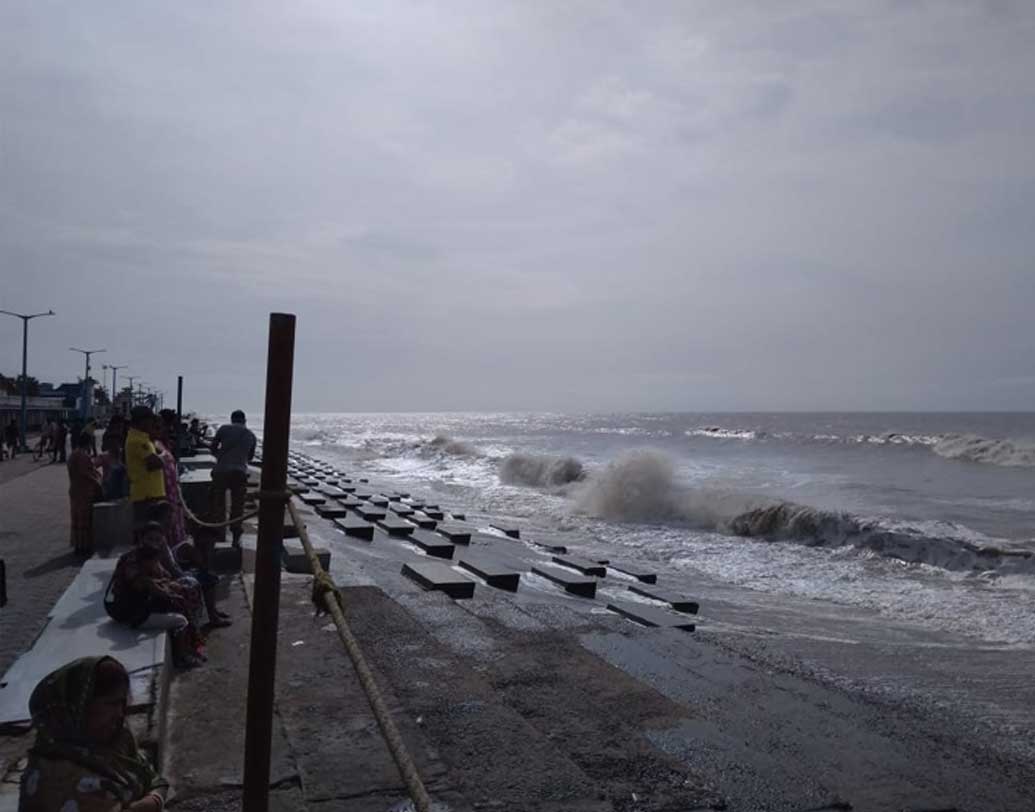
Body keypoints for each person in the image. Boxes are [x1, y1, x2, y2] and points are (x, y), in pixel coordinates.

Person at [18, 656, 169, 810]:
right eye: (110, 704)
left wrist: (154, 800)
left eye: (122, 702)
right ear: (79, 707)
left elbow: (154, 779)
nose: (119, 713)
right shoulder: (53, 777)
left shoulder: (116, 740)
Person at [105, 523, 206, 668]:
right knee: (181, 613)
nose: (154, 543)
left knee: (185, 594)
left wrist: (169, 586)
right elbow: (146, 586)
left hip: (143, 603)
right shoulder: (133, 560)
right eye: (150, 539)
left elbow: (165, 576)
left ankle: (191, 646)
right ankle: (183, 655)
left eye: (158, 540)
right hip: (128, 610)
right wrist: (171, 590)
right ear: (141, 539)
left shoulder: (151, 556)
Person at [209, 409, 256, 549]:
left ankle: (218, 533)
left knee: (218, 503)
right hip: (239, 472)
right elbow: (250, 457)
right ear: (244, 420)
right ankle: (236, 537)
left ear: (232, 419)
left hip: (221, 471)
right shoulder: (251, 435)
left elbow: (213, 448)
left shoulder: (224, 429)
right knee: (237, 506)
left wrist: (221, 457)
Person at [124, 406, 166, 529]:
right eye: (150, 420)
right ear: (142, 421)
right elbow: (156, 463)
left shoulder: (144, 438)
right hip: (146, 494)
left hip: (152, 492)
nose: (152, 424)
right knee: (147, 531)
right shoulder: (137, 440)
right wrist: (164, 457)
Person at [67, 432, 102, 557]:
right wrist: (98, 482)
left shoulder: (74, 454)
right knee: (84, 520)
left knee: (77, 519)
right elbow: (86, 473)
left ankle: (79, 545)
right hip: (84, 491)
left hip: (76, 490)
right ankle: (83, 546)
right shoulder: (82, 455)